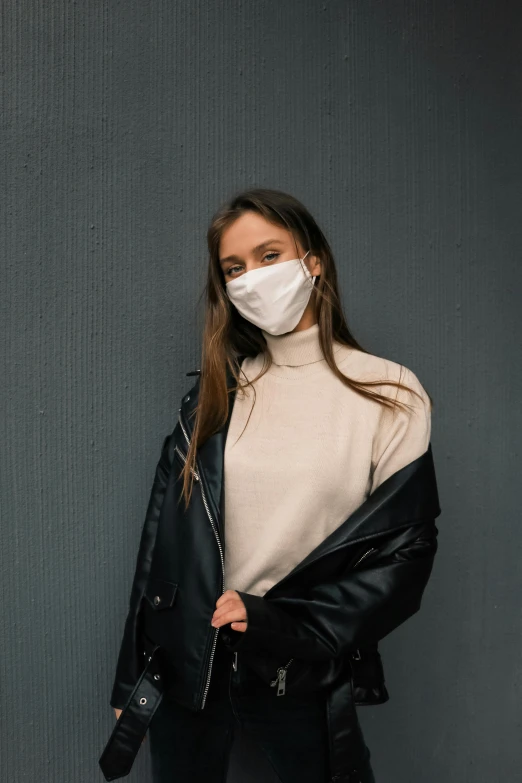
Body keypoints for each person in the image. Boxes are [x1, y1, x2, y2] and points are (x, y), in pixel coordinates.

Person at [99, 187, 441, 783]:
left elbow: (405, 559)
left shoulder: (390, 394)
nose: (251, 278)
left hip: (298, 669)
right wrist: (132, 678)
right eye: (234, 268)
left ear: (314, 261)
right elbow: (160, 547)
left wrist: (279, 623)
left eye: (268, 256)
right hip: (189, 670)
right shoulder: (216, 396)